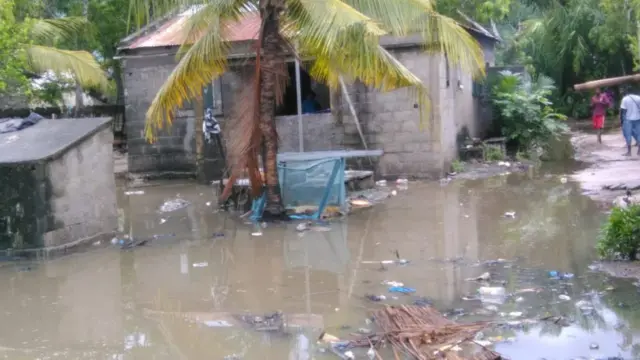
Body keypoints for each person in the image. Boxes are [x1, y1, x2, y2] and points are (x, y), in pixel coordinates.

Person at [619, 87, 640, 156]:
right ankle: (639, 151)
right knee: (639, 134)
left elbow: (623, 111)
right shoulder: (638, 98)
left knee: (628, 135)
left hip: (628, 119)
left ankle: (629, 152)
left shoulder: (625, 99)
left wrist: (621, 121)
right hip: (638, 119)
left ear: (627, 92)